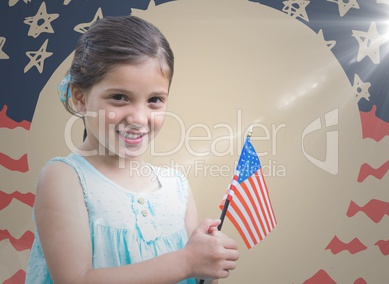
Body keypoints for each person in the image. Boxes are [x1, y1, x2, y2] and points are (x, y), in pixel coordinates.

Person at [25, 15, 239, 284]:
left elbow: (188, 276)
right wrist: (186, 261)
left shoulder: (177, 187)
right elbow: (75, 279)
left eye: (154, 100)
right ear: (80, 98)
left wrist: (206, 266)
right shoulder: (65, 178)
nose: (139, 118)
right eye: (119, 97)